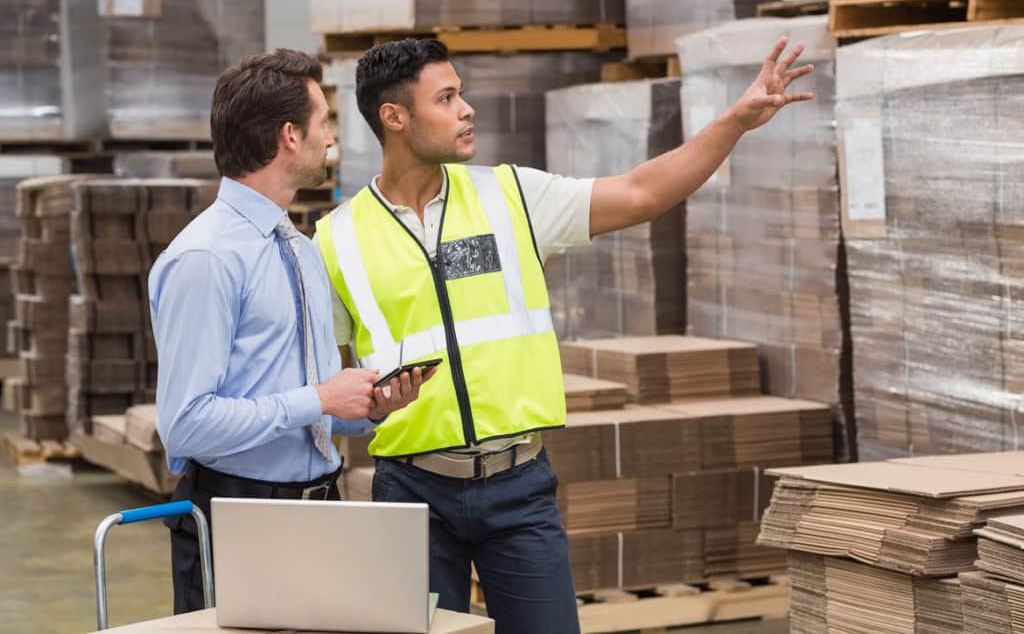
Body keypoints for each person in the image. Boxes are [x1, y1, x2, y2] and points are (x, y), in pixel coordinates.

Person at [314, 37, 814, 633]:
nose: (467, 109)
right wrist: (372, 406)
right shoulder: (335, 240)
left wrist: (735, 121)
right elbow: (329, 382)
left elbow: (640, 193)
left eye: (462, 94)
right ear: (394, 117)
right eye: (446, 98)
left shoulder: (511, 196)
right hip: (411, 495)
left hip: (518, 488)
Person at [149, 48, 433, 614]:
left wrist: (363, 406)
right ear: (289, 136)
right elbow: (184, 427)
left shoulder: (301, 251)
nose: (332, 138)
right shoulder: (206, 259)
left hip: (320, 507)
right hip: (237, 518)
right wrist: (319, 398)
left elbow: (306, 406)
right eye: (323, 122)